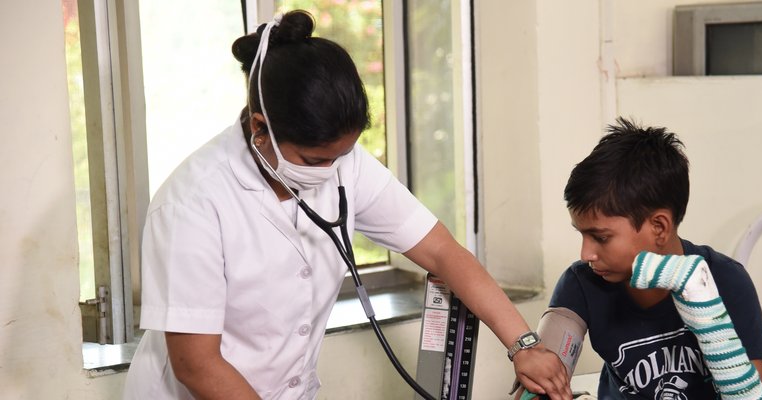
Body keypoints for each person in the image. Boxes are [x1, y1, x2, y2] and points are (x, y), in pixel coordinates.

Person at [123, 10, 570, 400]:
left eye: (341, 156)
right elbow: (197, 365)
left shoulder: (346, 165)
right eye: (315, 160)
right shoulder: (193, 203)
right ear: (261, 128)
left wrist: (524, 345)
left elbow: (441, 252)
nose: (330, 170)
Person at [546, 118, 762, 399]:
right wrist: (540, 378)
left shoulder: (727, 280)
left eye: (601, 237)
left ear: (659, 227)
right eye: (581, 235)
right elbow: (545, 374)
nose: (586, 254)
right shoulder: (582, 283)